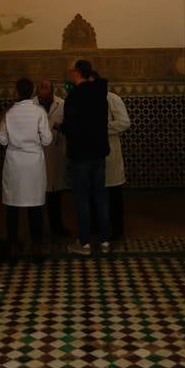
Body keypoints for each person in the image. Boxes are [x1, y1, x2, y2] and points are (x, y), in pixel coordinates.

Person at [0, 77, 52, 259]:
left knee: (12, 205)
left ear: (16, 91)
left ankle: (12, 245)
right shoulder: (39, 112)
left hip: (14, 163)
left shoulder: (9, 113)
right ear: (32, 91)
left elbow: (2, 140)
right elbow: (47, 139)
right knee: (35, 205)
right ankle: (36, 246)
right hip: (34, 164)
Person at [61, 58, 111, 255]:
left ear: (76, 72)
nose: (70, 73)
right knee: (101, 196)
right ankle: (105, 241)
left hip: (81, 155)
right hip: (99, 153)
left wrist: (61, 127)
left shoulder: (73, 97)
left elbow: (71, 127)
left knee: (82, 199)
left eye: (71, 70)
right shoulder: (100, 94)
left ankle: (84, 243)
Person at [89, 71, 131, 241]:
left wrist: (102, 128)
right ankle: (96, 227)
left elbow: (124, 122)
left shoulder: (112, 98)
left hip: (110, 152)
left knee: (113, 193)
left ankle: (117, 228)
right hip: (92, 153)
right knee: (93, 192)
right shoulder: (88, 101)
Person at [33, 79, 69, 238]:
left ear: (52, 89)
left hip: (56, 152)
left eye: (46, 86)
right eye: (40, 86)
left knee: (55, 193)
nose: (42, 88)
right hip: (38, 153)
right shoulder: (31, 105)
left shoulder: (62, 104)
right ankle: (38, 230)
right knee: (38, 194)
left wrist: (57, 127)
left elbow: (68, 125)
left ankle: (57, 227)